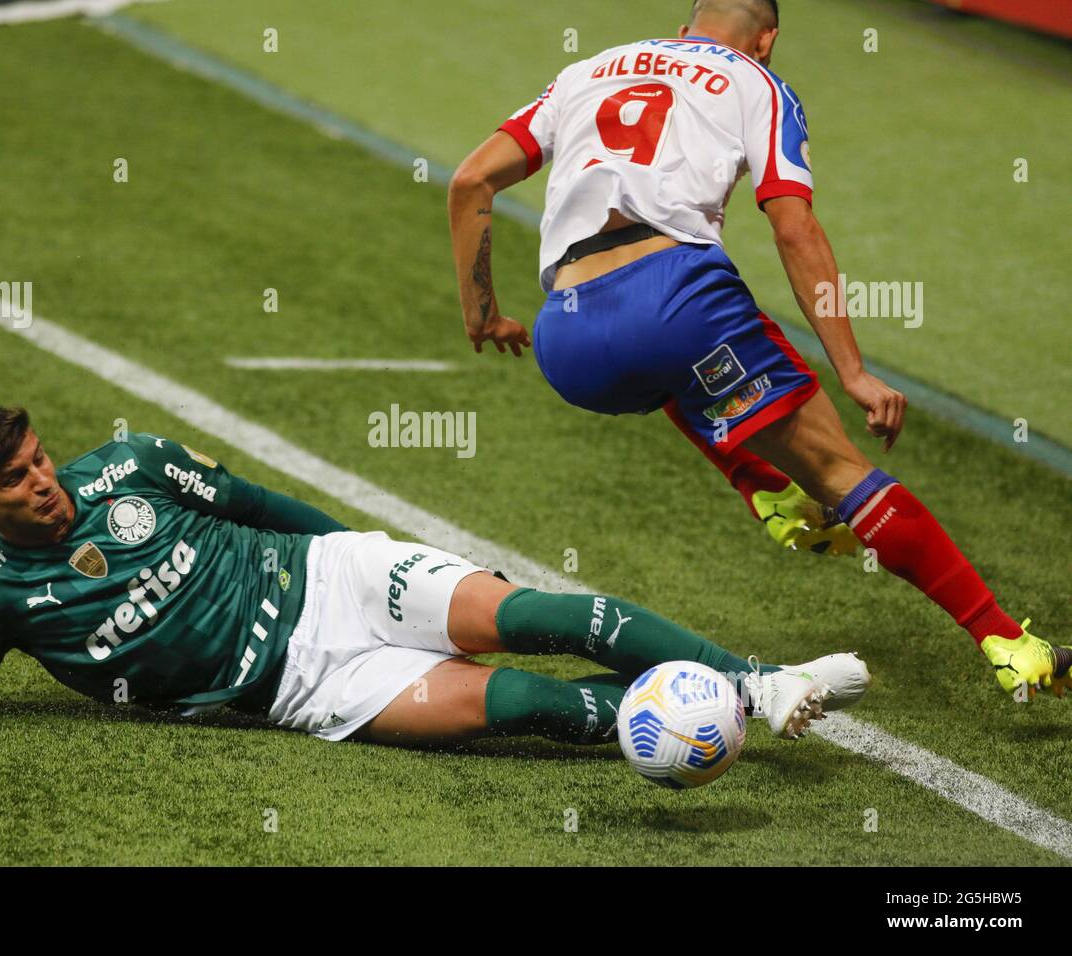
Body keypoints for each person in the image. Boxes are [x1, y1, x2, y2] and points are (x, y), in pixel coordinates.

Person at [446, 0, 1068, 695]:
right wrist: (854, 372)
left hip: (567, 340)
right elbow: (794, 228)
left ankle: (767, 489)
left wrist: (484, 315)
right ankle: (1007, 640)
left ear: (684, 25)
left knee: (671, 372)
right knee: (843, 476)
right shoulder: (756, 81)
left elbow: (471, 180)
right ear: (766, 39)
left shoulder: (589, 70)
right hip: (675, 300)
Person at [0, 404, 870, 748]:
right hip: (305, 685)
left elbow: (258, 505)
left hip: (334, 576)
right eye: (15, 479)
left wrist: (360, 554)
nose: (44, 483)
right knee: (529, 707)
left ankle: (758, 679)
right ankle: (715, 708)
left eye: (42, 459)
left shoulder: (131, 465)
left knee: (539, 614)